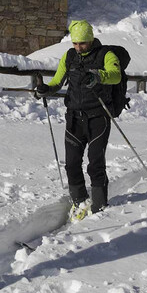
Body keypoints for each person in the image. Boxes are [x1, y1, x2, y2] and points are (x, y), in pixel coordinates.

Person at [35, 20, 122, 220]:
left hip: (98, 117)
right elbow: (58, 80)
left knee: (95, 163)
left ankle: (99, 205)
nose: (78, 47)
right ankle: (79, 201)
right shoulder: (69, 56)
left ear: (90, 39)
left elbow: (116, 76)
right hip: (74, 117)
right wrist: (46, 89)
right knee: (72, 163)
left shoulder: (106, 55)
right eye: (75, 43)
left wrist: (97, 76)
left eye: (82, 43)